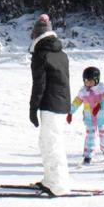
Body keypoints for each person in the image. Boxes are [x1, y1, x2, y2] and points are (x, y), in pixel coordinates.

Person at [28, 13, 72, 196]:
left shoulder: (41, 55)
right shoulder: (61, 54)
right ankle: (50, 180)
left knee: (51, 144)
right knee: (49, 142)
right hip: (61, 104)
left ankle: (58, 185)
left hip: (50, 105)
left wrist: (33, 108)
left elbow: (39, 84)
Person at [68, 66, 104, 165]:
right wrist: (70, 112)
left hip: (101, 118)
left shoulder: (101, 89)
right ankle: (88, 156)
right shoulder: (83, 92)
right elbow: (77, 102)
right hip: (89, 119)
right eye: (86, 81)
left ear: (97, 80)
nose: (88, 83)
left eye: (90, 81)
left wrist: (101, 105)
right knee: (90, 137)